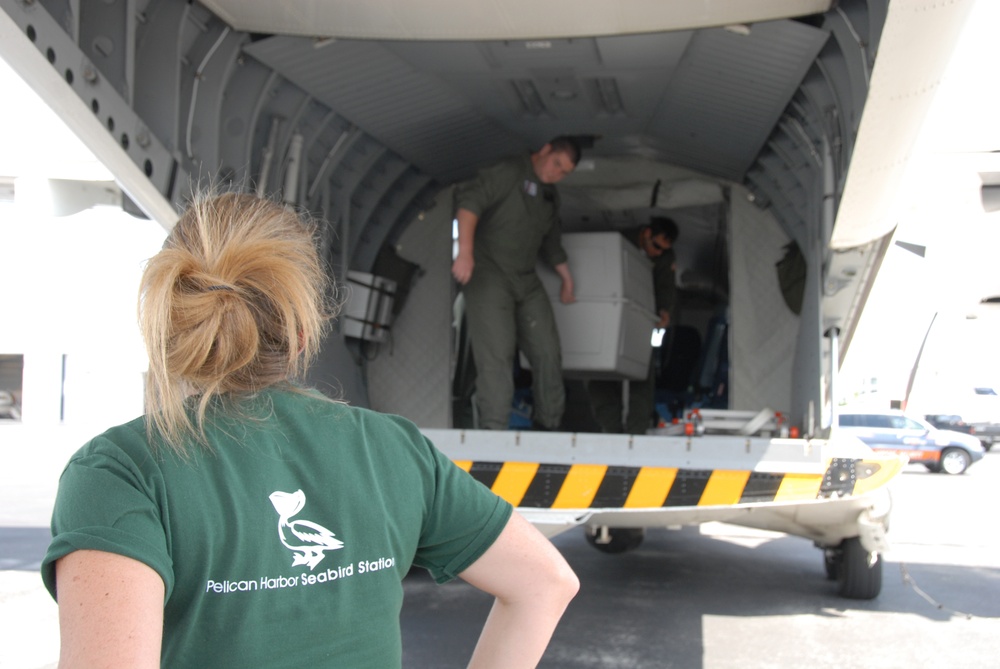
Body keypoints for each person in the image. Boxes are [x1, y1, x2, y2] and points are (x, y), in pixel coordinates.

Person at [41, 193, 578, 668]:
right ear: (302, 333)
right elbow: (546, 583)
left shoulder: (119, 473)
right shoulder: (392, 449)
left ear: (169, 320)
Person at [451, 136, 581, 431]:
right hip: (488, 275)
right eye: (556, 164)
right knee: (498, 355)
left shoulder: (550, 195)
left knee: (548, 351)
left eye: (564, 172)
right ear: (545, 150)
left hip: (525, 278)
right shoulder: (509, 171)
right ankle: (494, 431)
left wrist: (567, 280)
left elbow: (551, 243)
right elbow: (469, 206)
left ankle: (549, 426)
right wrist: (465, 253)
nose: (555, 174)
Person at [588, 216, 679, 434]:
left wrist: (664, 312)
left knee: (643, 373)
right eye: (656, 246)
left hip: (643, 320)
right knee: (600, 374)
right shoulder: (617, 241)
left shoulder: (665, 258)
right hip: (609, 318)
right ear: (646, 233)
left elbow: (666, 287)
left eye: (663, 250)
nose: (658, 253)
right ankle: (610, 427)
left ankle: (637, 431)